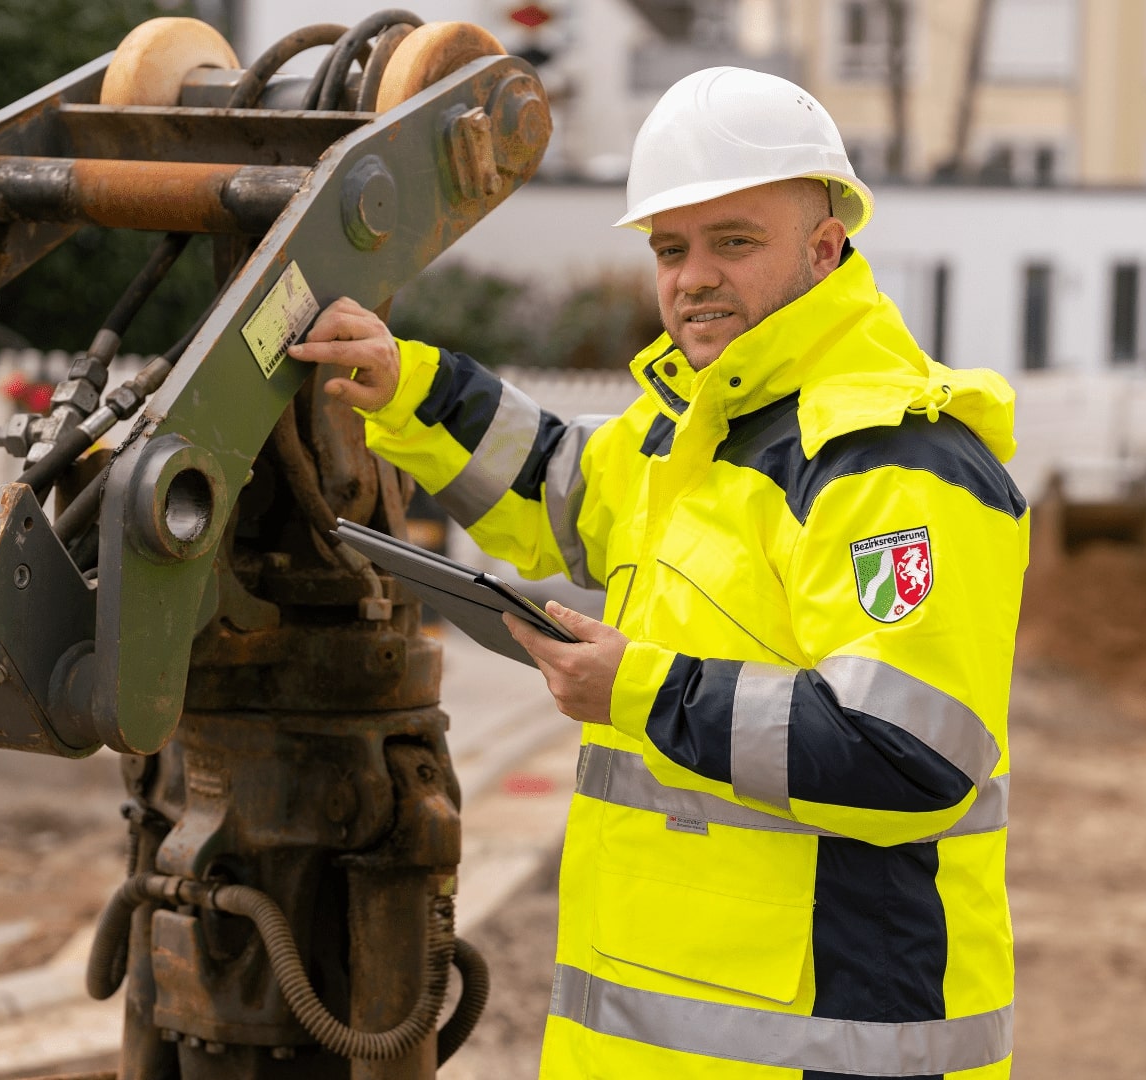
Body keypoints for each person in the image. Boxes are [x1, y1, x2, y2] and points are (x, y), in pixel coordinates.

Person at [292, 67, 1024, 1080]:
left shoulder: (891, 460)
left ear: (826, 248)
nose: (692, 278)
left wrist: (635, 687)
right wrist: (405, 383)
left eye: (734, 241)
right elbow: (556, 479)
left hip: (828, 1044)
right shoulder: (692, 431)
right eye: (670, 249)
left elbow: (907, 755)